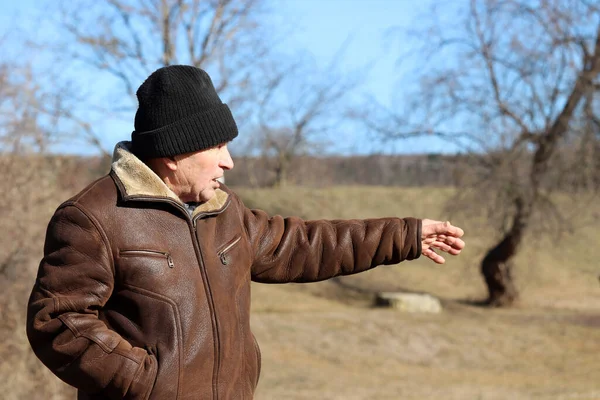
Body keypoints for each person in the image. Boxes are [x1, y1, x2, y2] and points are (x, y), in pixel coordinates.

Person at [26, 65, 465, 400]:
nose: (228, 161)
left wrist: (406, 236)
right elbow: (58, 320)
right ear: (174, 153)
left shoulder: (225, 211)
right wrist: (148, 381)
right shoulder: (93, 217)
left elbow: (306, 246)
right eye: (216, 146)